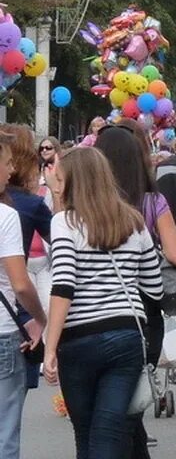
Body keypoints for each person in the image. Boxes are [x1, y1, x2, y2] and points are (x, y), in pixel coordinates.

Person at [44, 147, 164, 459]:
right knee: (110, 430)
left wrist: (50, 346)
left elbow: (64, 285)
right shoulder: (133, 221)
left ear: (73, 183)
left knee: (85, 432)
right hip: (125, 335)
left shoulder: (64, 222)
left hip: (78, 338)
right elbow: (154, 287)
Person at [95, 126, 176, 457]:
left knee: (113, 413)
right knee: (130, 403)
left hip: (94, 311)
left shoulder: (87, 207)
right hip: (143, 313)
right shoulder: (152, 203)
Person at [0, 136, 45, 459]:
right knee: (5, 435)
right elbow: (20, 284)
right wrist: (41, 320)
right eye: (6, 163)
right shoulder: (6, 216)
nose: (11, 170)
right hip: (2, 331)